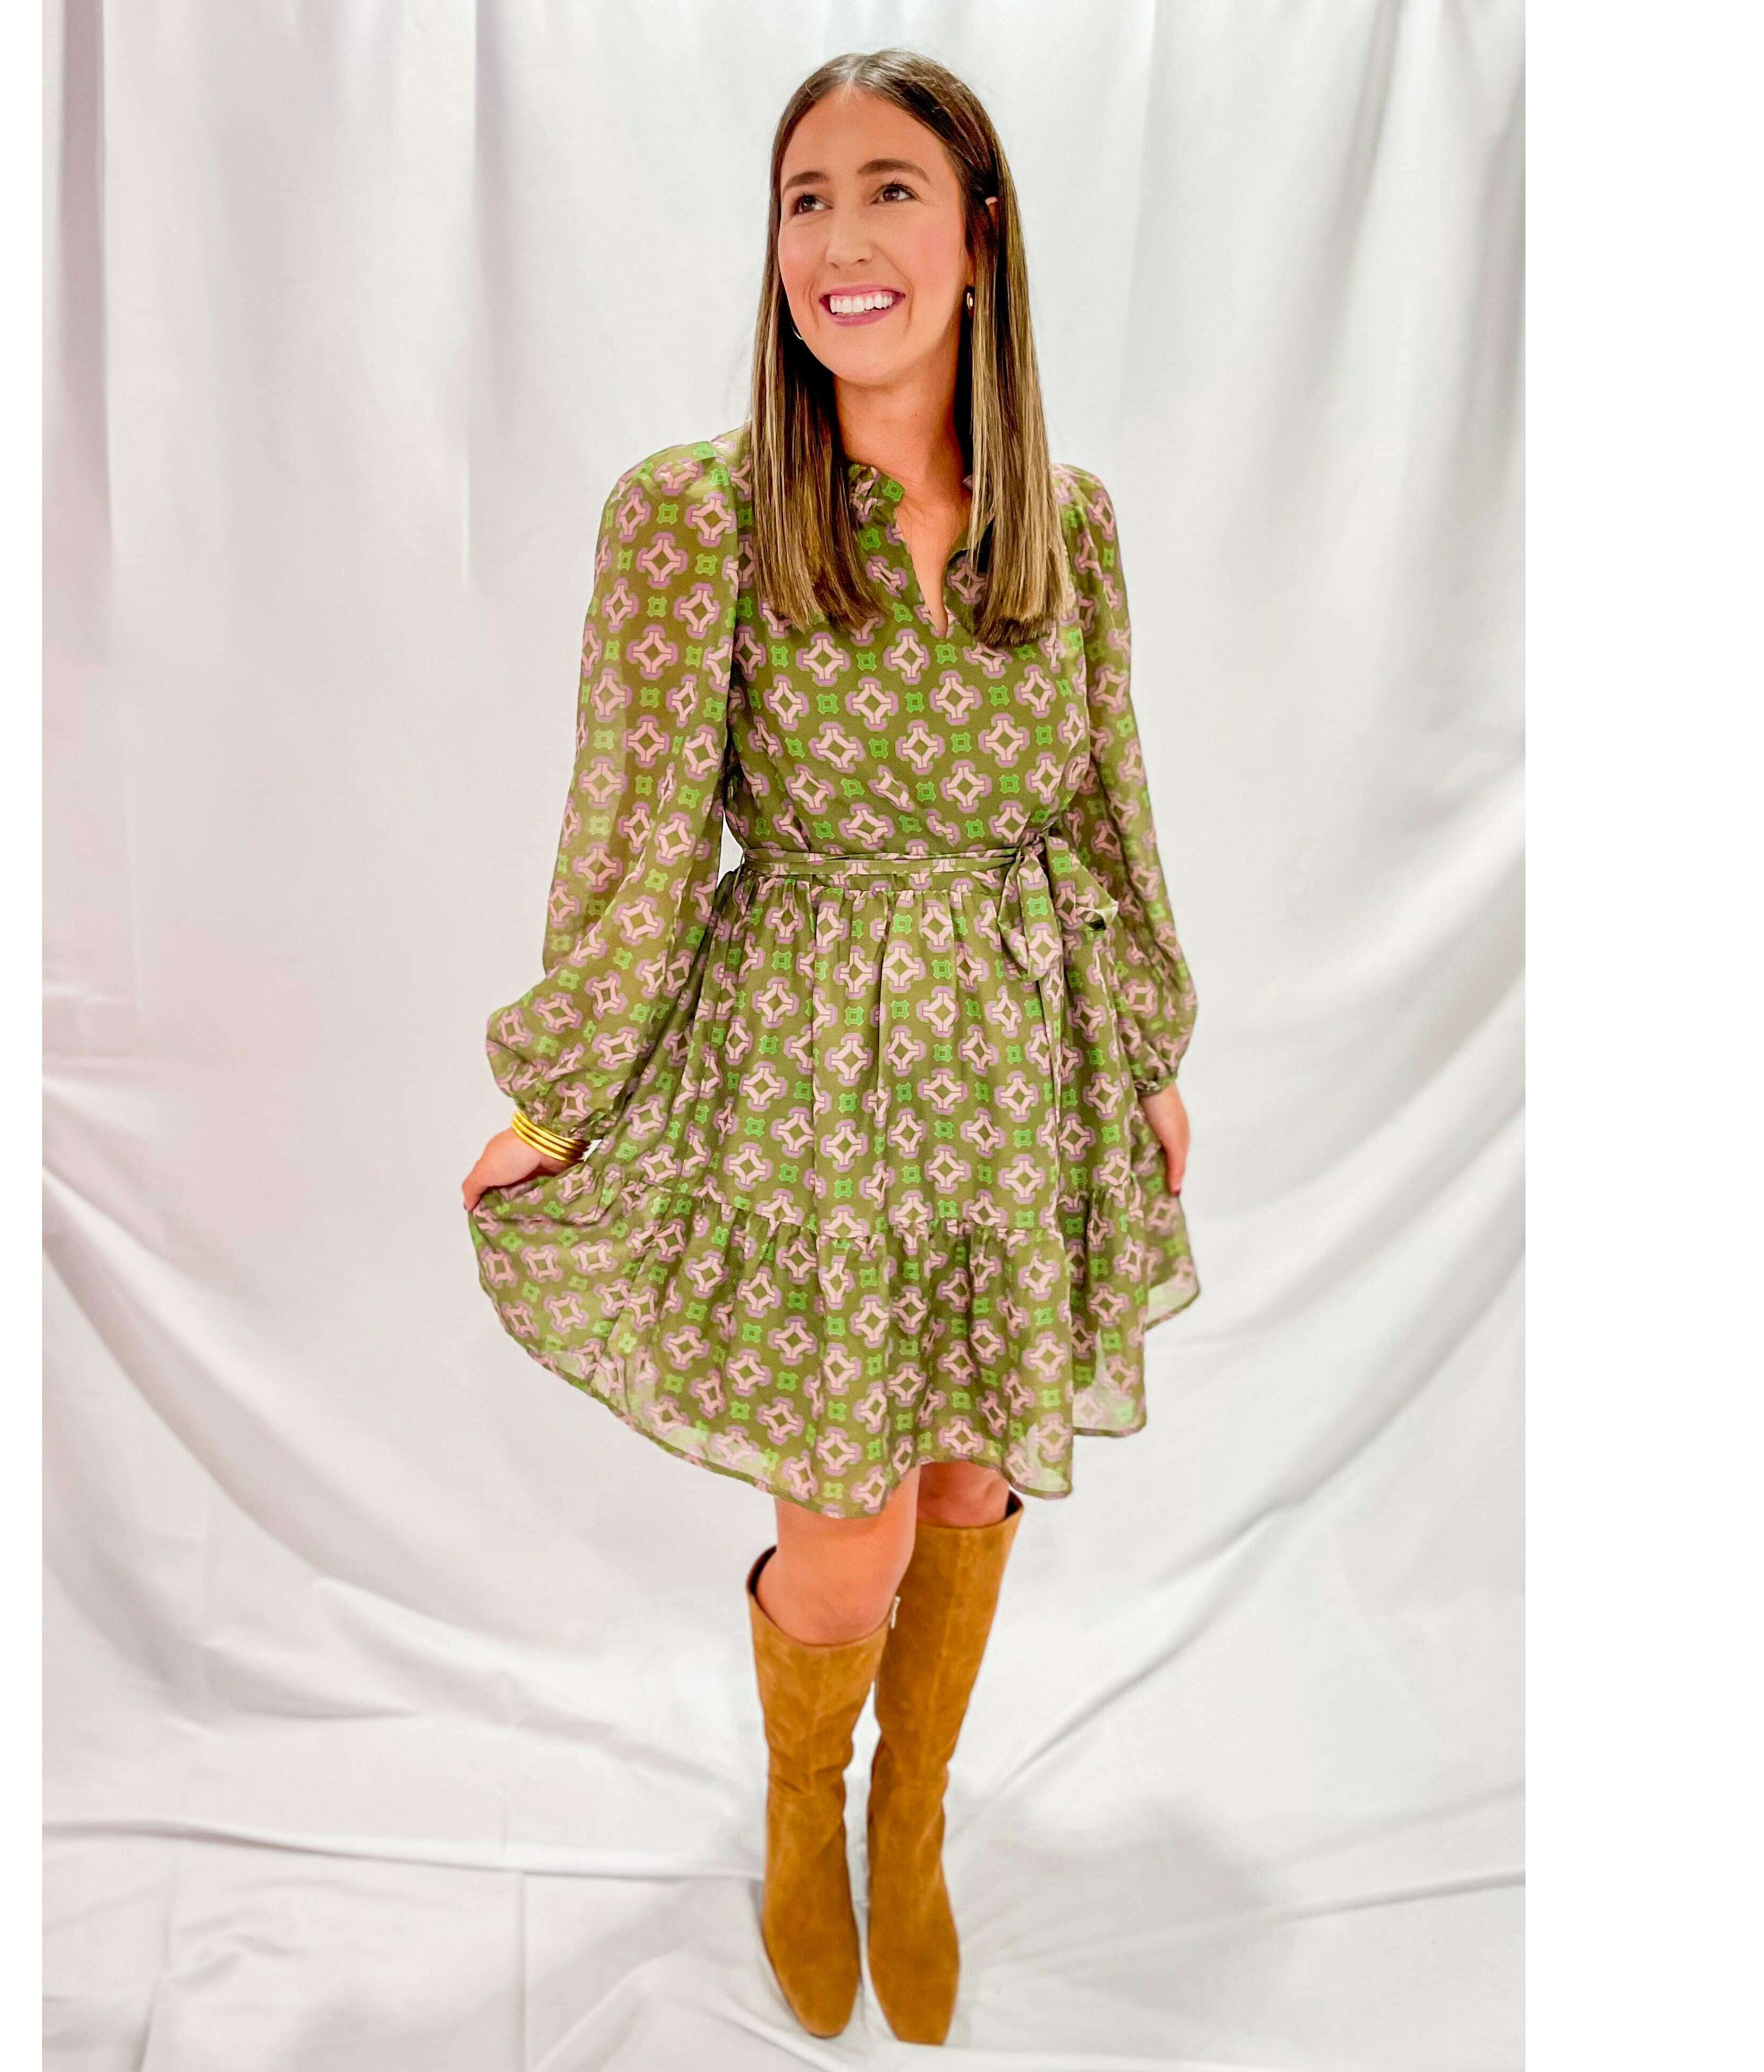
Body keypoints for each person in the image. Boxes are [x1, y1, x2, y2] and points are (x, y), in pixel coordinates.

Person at [460, 50, 1199, 2046]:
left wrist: (1140, 1046)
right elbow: (633, 827)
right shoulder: (695, 517)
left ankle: (910, 1816)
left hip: (1018, 1056)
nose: (841, 239)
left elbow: (1102, 809)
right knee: (848, 1527)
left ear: (978, 238)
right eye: (806, 197)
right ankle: (804, 1798)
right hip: (803, 1072)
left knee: (966, 1483)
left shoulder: (1070, 526)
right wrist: (560, 1088)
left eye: (889, 190)